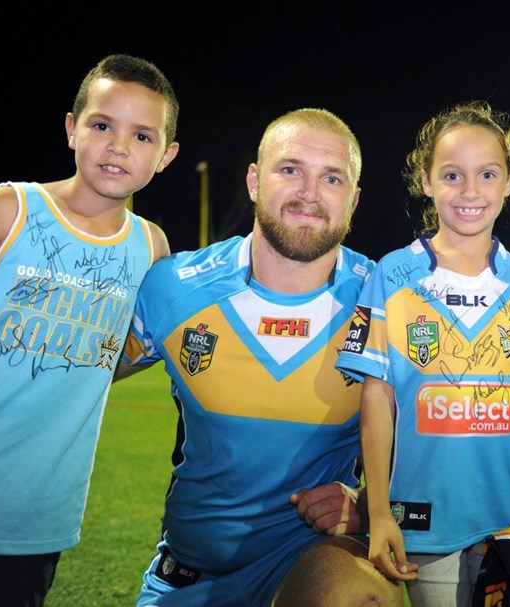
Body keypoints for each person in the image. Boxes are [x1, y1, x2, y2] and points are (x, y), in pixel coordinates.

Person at [116, 108, 402, 606]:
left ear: (353, 199)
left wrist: (372, 503)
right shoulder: (174, 287)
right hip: (190, 574)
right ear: (254, 181)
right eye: (290, 169)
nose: (309, 192)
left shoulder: (387, 301)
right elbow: (75, 376)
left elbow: (448, 434)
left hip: (310, 559)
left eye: (331, 178)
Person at [335, 101, 510, 606]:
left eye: (487, 174)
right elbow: (377, 398)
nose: (470, 191)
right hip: (420, 521)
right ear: (426, 181)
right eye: (452, 175)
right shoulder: (391, 275)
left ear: (509, 181)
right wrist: (377, 511)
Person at [0, 54, 180, 606]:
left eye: (141, 136)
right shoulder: (8, 210)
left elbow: (112, 356)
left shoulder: (151, 248)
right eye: (101, 125)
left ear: (165, 156)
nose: (118, 146)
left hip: (37, 512)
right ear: (72, 129)